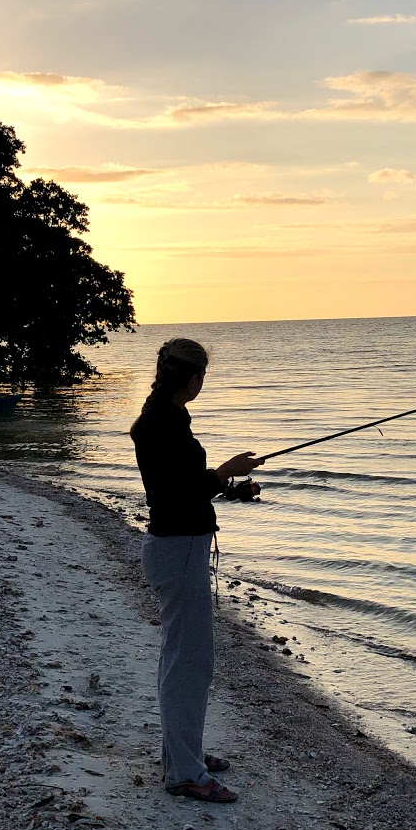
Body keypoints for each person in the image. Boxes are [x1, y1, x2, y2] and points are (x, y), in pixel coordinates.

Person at [130, 339, 261, 803]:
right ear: (192, 378)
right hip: (178, 548)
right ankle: (184, 772)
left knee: (182, 658)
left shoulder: (163, 420)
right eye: (202, 376)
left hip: (177, 545)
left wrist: (231, 488)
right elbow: (176, 495)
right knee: (191, 663)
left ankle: (184, 754)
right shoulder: (162, 424)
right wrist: (224, 472)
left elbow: (180, 490)